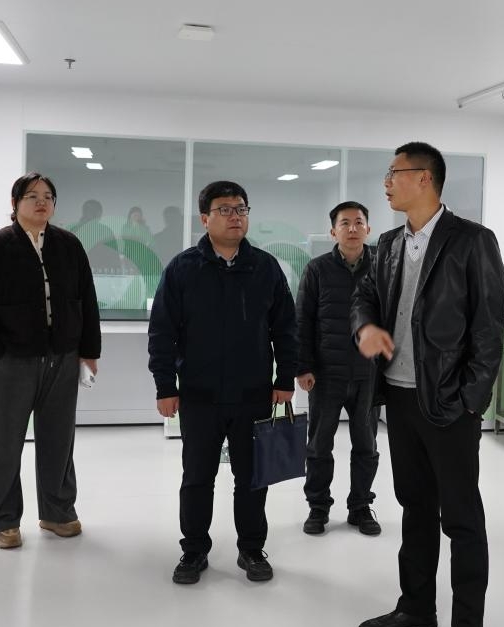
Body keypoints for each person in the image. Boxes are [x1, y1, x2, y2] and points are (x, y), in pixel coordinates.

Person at [350, 142, 504, 627]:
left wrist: (470, 403)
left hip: (448, 403)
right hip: (399, 396)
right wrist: (364, 327)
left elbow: (488, 330)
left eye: (393, 173)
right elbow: (364, 297)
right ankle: (417, 608)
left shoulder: (472, 241)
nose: (386, 183)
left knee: (461, 519)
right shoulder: (389, 243)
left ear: (424, 179)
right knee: (415, 507)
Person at [148, 181, 298, 585]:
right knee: (198, 478)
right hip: (199, 396)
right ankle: (194, 550)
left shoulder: (265, 267)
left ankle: (251, 549)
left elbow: (286, 328)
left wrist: (285, 377)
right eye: (225, 209)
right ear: (205, 218)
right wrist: (165, 386)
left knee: (252, 479)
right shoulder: (183, 269)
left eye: (241, 209)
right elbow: (162, 331)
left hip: (253, 395)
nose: (236, 217)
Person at [0, 173, 101, 550]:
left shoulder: (69, 245)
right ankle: (3, 520)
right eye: (32, 196)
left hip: (63, 357)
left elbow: (86, 299)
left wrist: (89, 351)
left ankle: (58, 511)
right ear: (15, 203)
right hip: (15, 359)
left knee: (59, 440)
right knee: (5, 443)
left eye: (48, 196)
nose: (42, 202)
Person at [295, 201, 380, 537]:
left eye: (359, 222)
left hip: (368, 374)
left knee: (366, 445)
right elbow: (302, 321)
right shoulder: (317, 270)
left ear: (368, 229)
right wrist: (303, 366)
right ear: (333, 232)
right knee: (319, 446)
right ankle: (318, 507)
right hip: (326, 374)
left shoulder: (383, 267)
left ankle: (360, 506)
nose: (352, 228)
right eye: (345, 223)